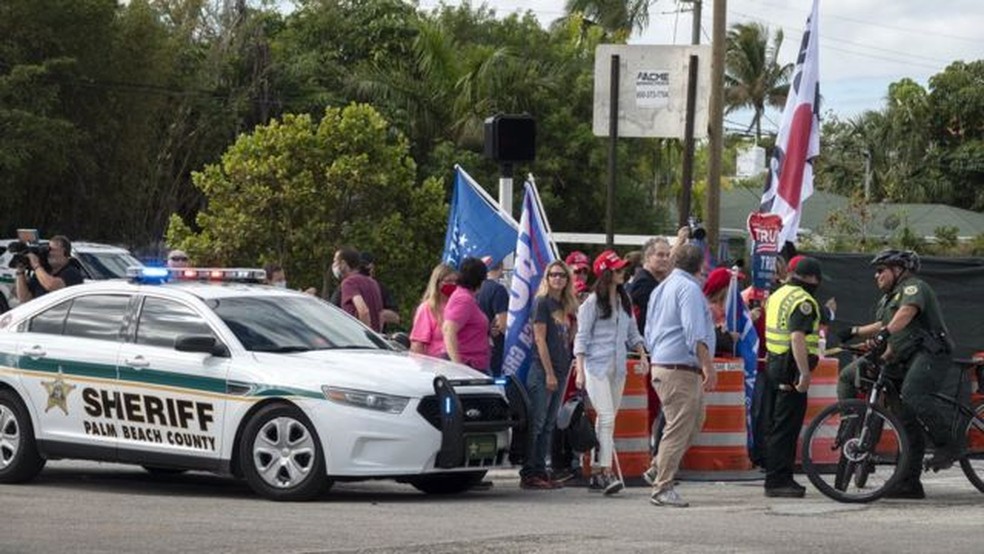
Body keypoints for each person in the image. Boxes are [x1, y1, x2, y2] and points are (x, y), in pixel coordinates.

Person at [835, 249, 959, 499]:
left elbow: (906, 314)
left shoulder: (914, 287)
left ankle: (949, 445)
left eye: (882, 270)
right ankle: (907, 482)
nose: (876, 275)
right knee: (903, 420)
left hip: (931, 353)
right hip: (903, 357)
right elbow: (891, 333)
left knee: (913, 395)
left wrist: (880, 335)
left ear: (899, 270)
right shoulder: (887, 300)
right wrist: (864, 338)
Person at [644, 244, 716, 508]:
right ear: (701, 266)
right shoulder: (689, 289)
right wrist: (708, 366)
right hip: (680, 367)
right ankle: (662, 486)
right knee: (679, 427)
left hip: (666, 363)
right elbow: (694, 331)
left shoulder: (662, 287)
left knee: (695, 420)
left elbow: (649, 328)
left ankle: (658, 466)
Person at [573, 250, 647, 496]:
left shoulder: (624, 300)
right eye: (616, 270)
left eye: (622, 269)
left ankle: (596, 471)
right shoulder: (592, 303)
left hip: (618, 367)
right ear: (606, 273)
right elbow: (581, 338)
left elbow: (632, 333)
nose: (622, 273)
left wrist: (642, 353)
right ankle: (605, 471)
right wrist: (580, 370)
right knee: (605, 418)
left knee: (607, 422)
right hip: (596, 366)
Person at [762, 256, 824, 498]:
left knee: (776, 424)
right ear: (810, 278)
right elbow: (797, 337)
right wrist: (805, 373)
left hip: (775, 362)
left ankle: (776, 476)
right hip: (791, 366)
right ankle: (778, 481)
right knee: (786, 427)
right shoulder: (803, 301)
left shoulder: (777, 295)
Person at [521, 260, 579, 490]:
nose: (557, 279)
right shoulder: (541, 303)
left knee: (548, 424)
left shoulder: (564, 305)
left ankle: (541, 469)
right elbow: (539, 339)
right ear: (547, 278)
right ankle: (529, 471)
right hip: (543, 370)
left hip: (562, 367)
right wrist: (549, 373)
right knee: (537, 422)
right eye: (553, 275)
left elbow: (569, 336)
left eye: (562, 275)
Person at [442, 257, 491, 372]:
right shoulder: (464, 299)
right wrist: (458, 367)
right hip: (468, 364)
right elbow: (448, 330)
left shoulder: (463, 296)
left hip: (472, 363)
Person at [15, 235, 84, 303]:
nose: (49, 254)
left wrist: (36, 265)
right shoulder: (43, 272)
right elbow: (24, 299)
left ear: (64, 251)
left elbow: (52, 286)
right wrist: (20, 272)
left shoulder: (72, 272)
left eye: (52, 250)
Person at [628, 236, 673, 337]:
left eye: (668, 255)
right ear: (647, 257)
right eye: (660, 255)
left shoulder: (655, 280)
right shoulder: (643, 282)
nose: (665, 259)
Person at [409, 263, 456, 358]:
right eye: (449, 281)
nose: (453, 284)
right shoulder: (427, 308)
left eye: (455, 281)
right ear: (437, 283)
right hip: (436, 364)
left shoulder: (458, 306)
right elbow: (417, 345)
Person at [332, 247, 384, 331]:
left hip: (356, 337)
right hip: (375, 338)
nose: (334, 265)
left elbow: (363, 311)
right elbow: (381, 315)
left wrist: (365, 335)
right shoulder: (373, 282)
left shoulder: (349, 283)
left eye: (335, 261)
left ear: (343, 263)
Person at [476, 256, 509, 377]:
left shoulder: (475, 288)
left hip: (476, 345)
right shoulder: (499, 290)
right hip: (494, 347)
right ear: (501, 268)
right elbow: (503, 324)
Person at [359, 252, 401, 330]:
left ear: (372, 267)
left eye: (365, 265)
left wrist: (380, 316)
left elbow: (396, 316)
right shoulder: (348, 286)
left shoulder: (380, 288)